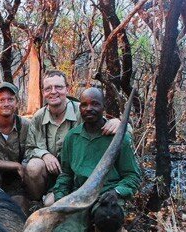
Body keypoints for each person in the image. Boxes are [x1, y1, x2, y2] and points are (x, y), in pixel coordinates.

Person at [48, 87, 141, 232]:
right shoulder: (72, 137)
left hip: (106, 196)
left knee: (108, 217)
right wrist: (60, 197)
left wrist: (116, 192)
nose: (89, 108)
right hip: (79, 195)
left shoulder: (120, 139)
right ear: (80, 109)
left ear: (103, 107)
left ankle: (102, 230)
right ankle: (82, 226)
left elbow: (132, 176)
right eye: (84, 105)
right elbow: (66, 174)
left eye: (95, 104)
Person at [27, 71, 127, 205]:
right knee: (33, 166)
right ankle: (35, 202)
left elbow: (112, 128)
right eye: (48, 88)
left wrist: (118, 123)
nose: (53, 92)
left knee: (56, 203)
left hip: (74, 175)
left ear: (67, 89)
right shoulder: (38, 117)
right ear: (43, 92)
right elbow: (29, 149)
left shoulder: (82, 110)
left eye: (58, 87)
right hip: (50, 174)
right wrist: (44, 155)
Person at [0, 82, 44, 211]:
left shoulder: (26, 125)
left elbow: (34, 149)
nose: (6, 103)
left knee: (19, 208)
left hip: (20, 178)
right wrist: (15, 165)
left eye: (10, 99)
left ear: (17, 102)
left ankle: (35, 202)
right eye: (1, 100)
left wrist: (22, 165)